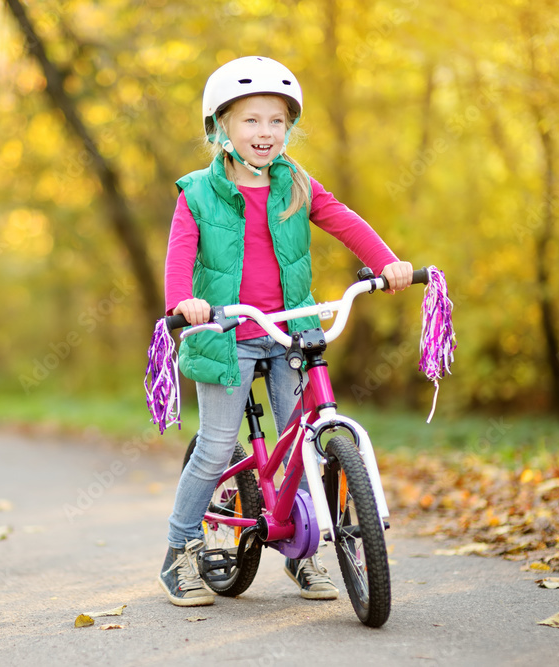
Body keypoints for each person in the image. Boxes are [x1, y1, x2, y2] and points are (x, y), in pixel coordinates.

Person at [158, 57, 414, 606]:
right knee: (217, 444)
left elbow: (343, 218)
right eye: (251, 120)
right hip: (226, 334)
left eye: (276, 121)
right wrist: (186, 302)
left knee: (304, 442)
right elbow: (179, 258)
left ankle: (304, 555)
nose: (265, 132)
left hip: (292, 333)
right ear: (221, 126)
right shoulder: (198, 193)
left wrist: (388, 263)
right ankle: (179, 551)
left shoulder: (295, 182)